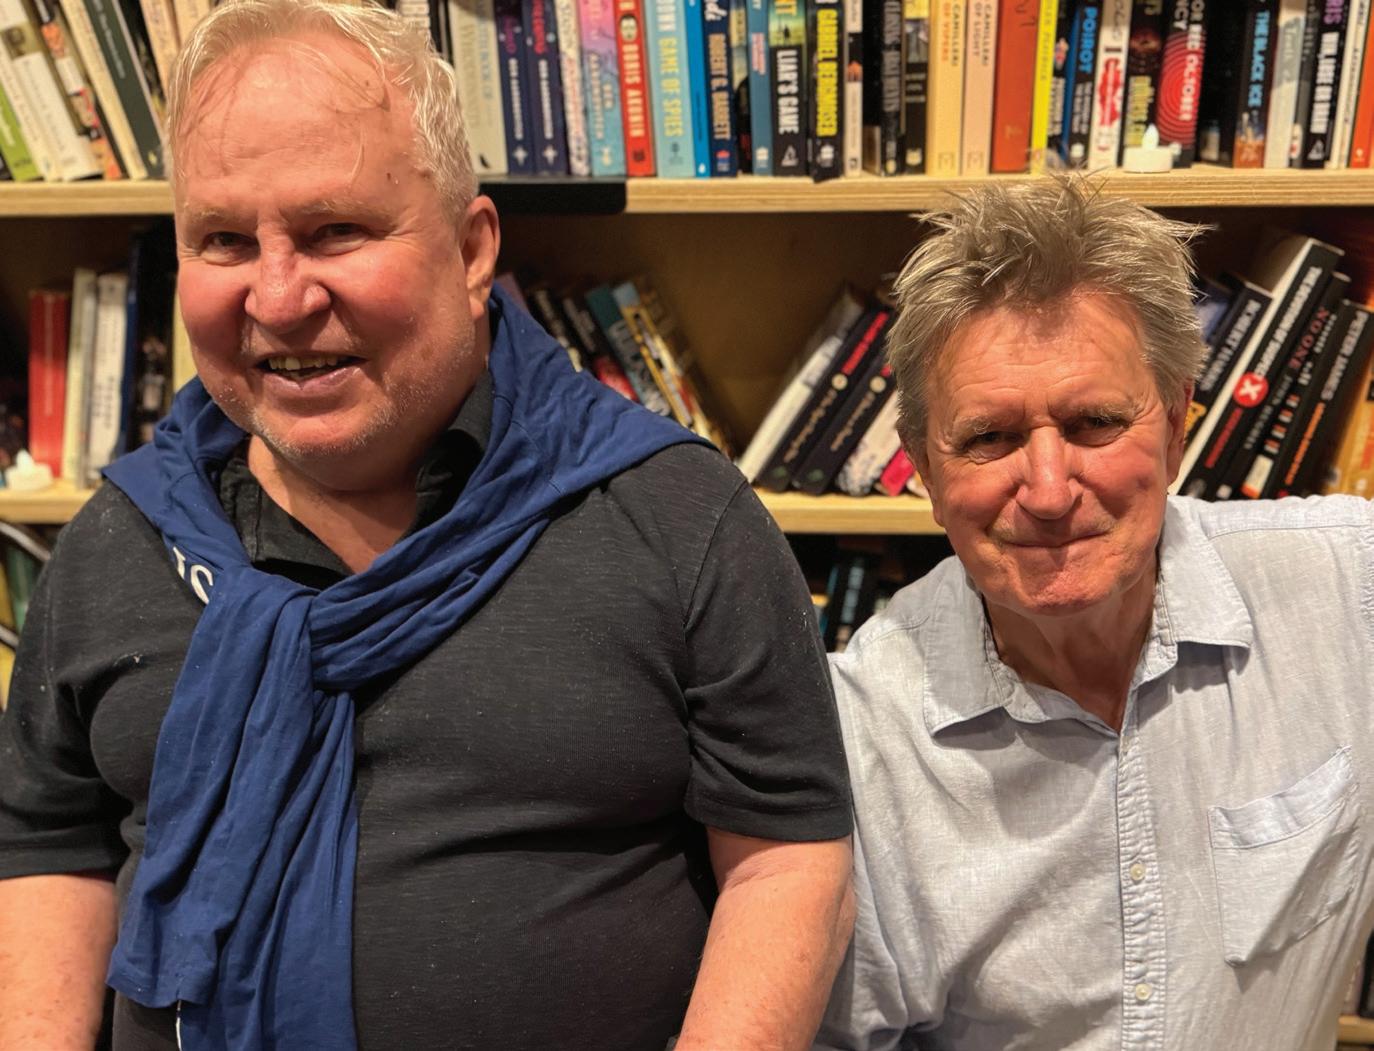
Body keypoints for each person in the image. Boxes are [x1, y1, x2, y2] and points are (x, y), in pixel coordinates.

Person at [0, 2, 856, 1048]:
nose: (279, 298)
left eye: (335, 231)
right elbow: (47, 843)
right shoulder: (119, 537)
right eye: (224, 240)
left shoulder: (680, 520)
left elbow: (786, 863)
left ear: (471, 247)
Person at [816, 178, 1374, 1050]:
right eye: (990, 437)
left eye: (1094, 423)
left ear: (1178, 426)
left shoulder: (1346, 587)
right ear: (924, 468)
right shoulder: (857, 740)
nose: (1047, 491)